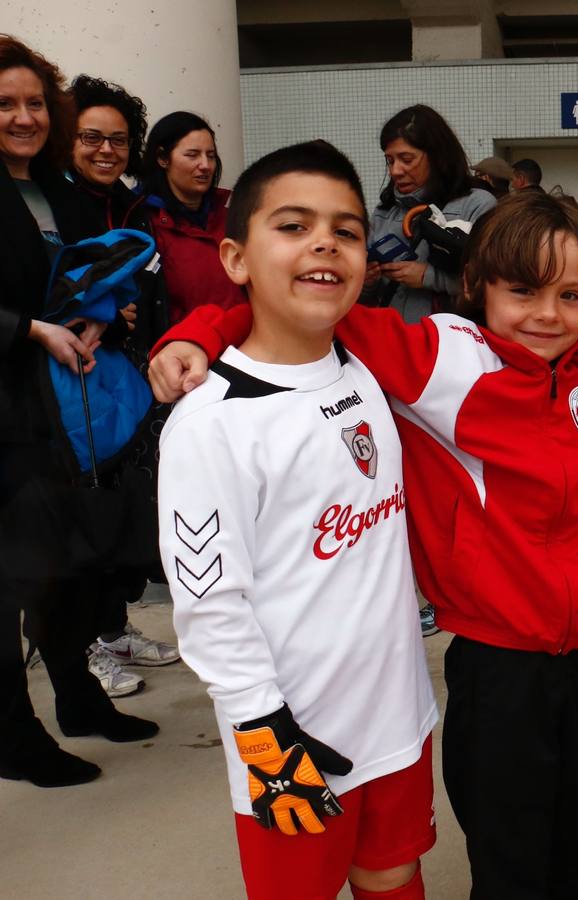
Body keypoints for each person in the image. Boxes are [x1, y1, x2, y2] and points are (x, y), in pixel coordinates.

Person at [151, 190, 578, 898]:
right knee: (512, 857)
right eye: (523, 291)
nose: (548, 314)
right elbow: (301, 309)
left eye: (570, 295)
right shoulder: (440, 357)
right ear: (478, 286)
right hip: (500, 660)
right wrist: (201, 331)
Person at [157, 140, 438, 899]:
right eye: (293, 225)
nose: (324, 243)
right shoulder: (210, 423)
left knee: (394, 874)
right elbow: (210, 606)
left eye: (346, 231)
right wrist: (262, 732)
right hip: (293, 738)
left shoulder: (366, 367)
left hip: (399, 717)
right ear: (236, 257)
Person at [1, 34, 157, 789]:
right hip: (4, 411)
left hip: (64, 412)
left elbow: (103, 276)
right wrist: (33, 329)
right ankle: (12, 735)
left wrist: (102, 317)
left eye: (35, 102)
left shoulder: (60, 191)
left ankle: (78, 698)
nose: (23, 116)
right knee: (10, 578)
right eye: (5, 103)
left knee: (64, 564)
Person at [67, 73, 180, 695]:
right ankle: (81, 645)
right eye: (92, 137)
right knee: (83, 509)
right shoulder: (58, 202)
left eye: (118, 139)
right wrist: (110, 312)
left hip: (125, 371)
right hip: (73, 374)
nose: (106, 150)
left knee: (122, 505)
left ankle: (111, 628)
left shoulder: (129, 202)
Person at [364, 105, 495, 322]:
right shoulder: (383, 212)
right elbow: (363, 300)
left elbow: (496, 285)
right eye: (390, 160)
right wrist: (366, 283)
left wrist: (429, 277)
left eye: (406, 159)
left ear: (438, 157)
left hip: (451, 346)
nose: (396, 170)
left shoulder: (477, 206)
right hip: (390, 344)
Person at [141, 111, 243, 324]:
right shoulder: (143, 223)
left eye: (211, 155)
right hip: (183, 349)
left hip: (241, 348)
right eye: (192, 155)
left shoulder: (233, 215)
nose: (205, 165)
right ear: (162, 158)